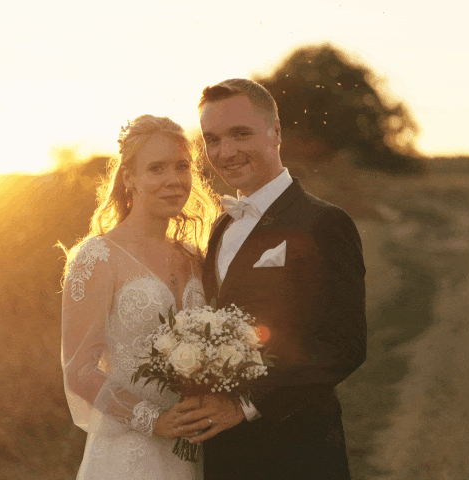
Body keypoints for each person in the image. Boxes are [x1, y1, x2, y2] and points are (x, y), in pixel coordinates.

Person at [172, 79, 367, 479]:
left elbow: (343, 346)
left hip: (298, 450)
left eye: (240, 134)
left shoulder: (323, 222)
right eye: (212, 140)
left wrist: (244, 404)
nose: (225, 153)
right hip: (225, 454)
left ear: (275, 132)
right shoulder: (222, 225)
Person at [60, 114, 220, 479]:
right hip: (129, 454)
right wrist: (154, 421)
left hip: (194, 448)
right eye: (156, 169)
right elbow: (80, 371)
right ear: (129, 177)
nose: (173, 181)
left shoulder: (194, 257)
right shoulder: (98, 257)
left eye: (182, 167)